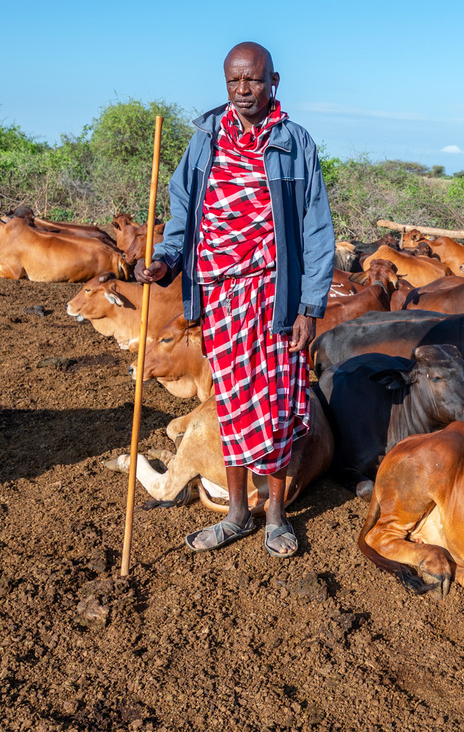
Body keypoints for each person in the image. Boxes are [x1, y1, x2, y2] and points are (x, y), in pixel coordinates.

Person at [136, 42, 335, 557]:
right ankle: (237, 514)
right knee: (231, 405)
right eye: (234, 82)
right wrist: (164, 261)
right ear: (225, 83)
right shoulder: (204, 142)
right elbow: (182, 217)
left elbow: (316, 230)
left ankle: (276, 515)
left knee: (277, 405)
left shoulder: (295, 144)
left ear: (274, 80)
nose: (244, 91)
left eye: (254, 80)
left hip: (276, 294)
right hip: (221, 295)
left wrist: (311, 307)